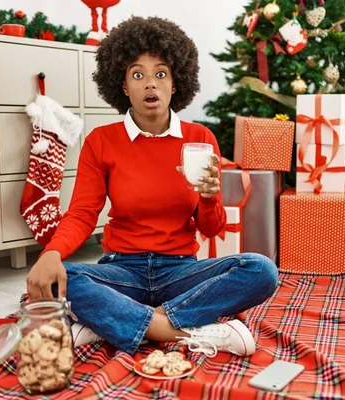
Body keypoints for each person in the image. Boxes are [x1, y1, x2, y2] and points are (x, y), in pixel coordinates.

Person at [26, 16, 278, 357]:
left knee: (261, 270)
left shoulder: (200, 139)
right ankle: (179, 329)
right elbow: (83, 213)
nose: (150, 84)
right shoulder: (102, 141)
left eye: (161, 73)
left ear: (175, 84)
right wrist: (51, 253)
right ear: (123, 86)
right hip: (122, 270)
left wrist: (207, 198)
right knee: (59, 279)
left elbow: (213, 227)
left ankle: (117, 324)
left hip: (180, 271)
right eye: (137, 74)